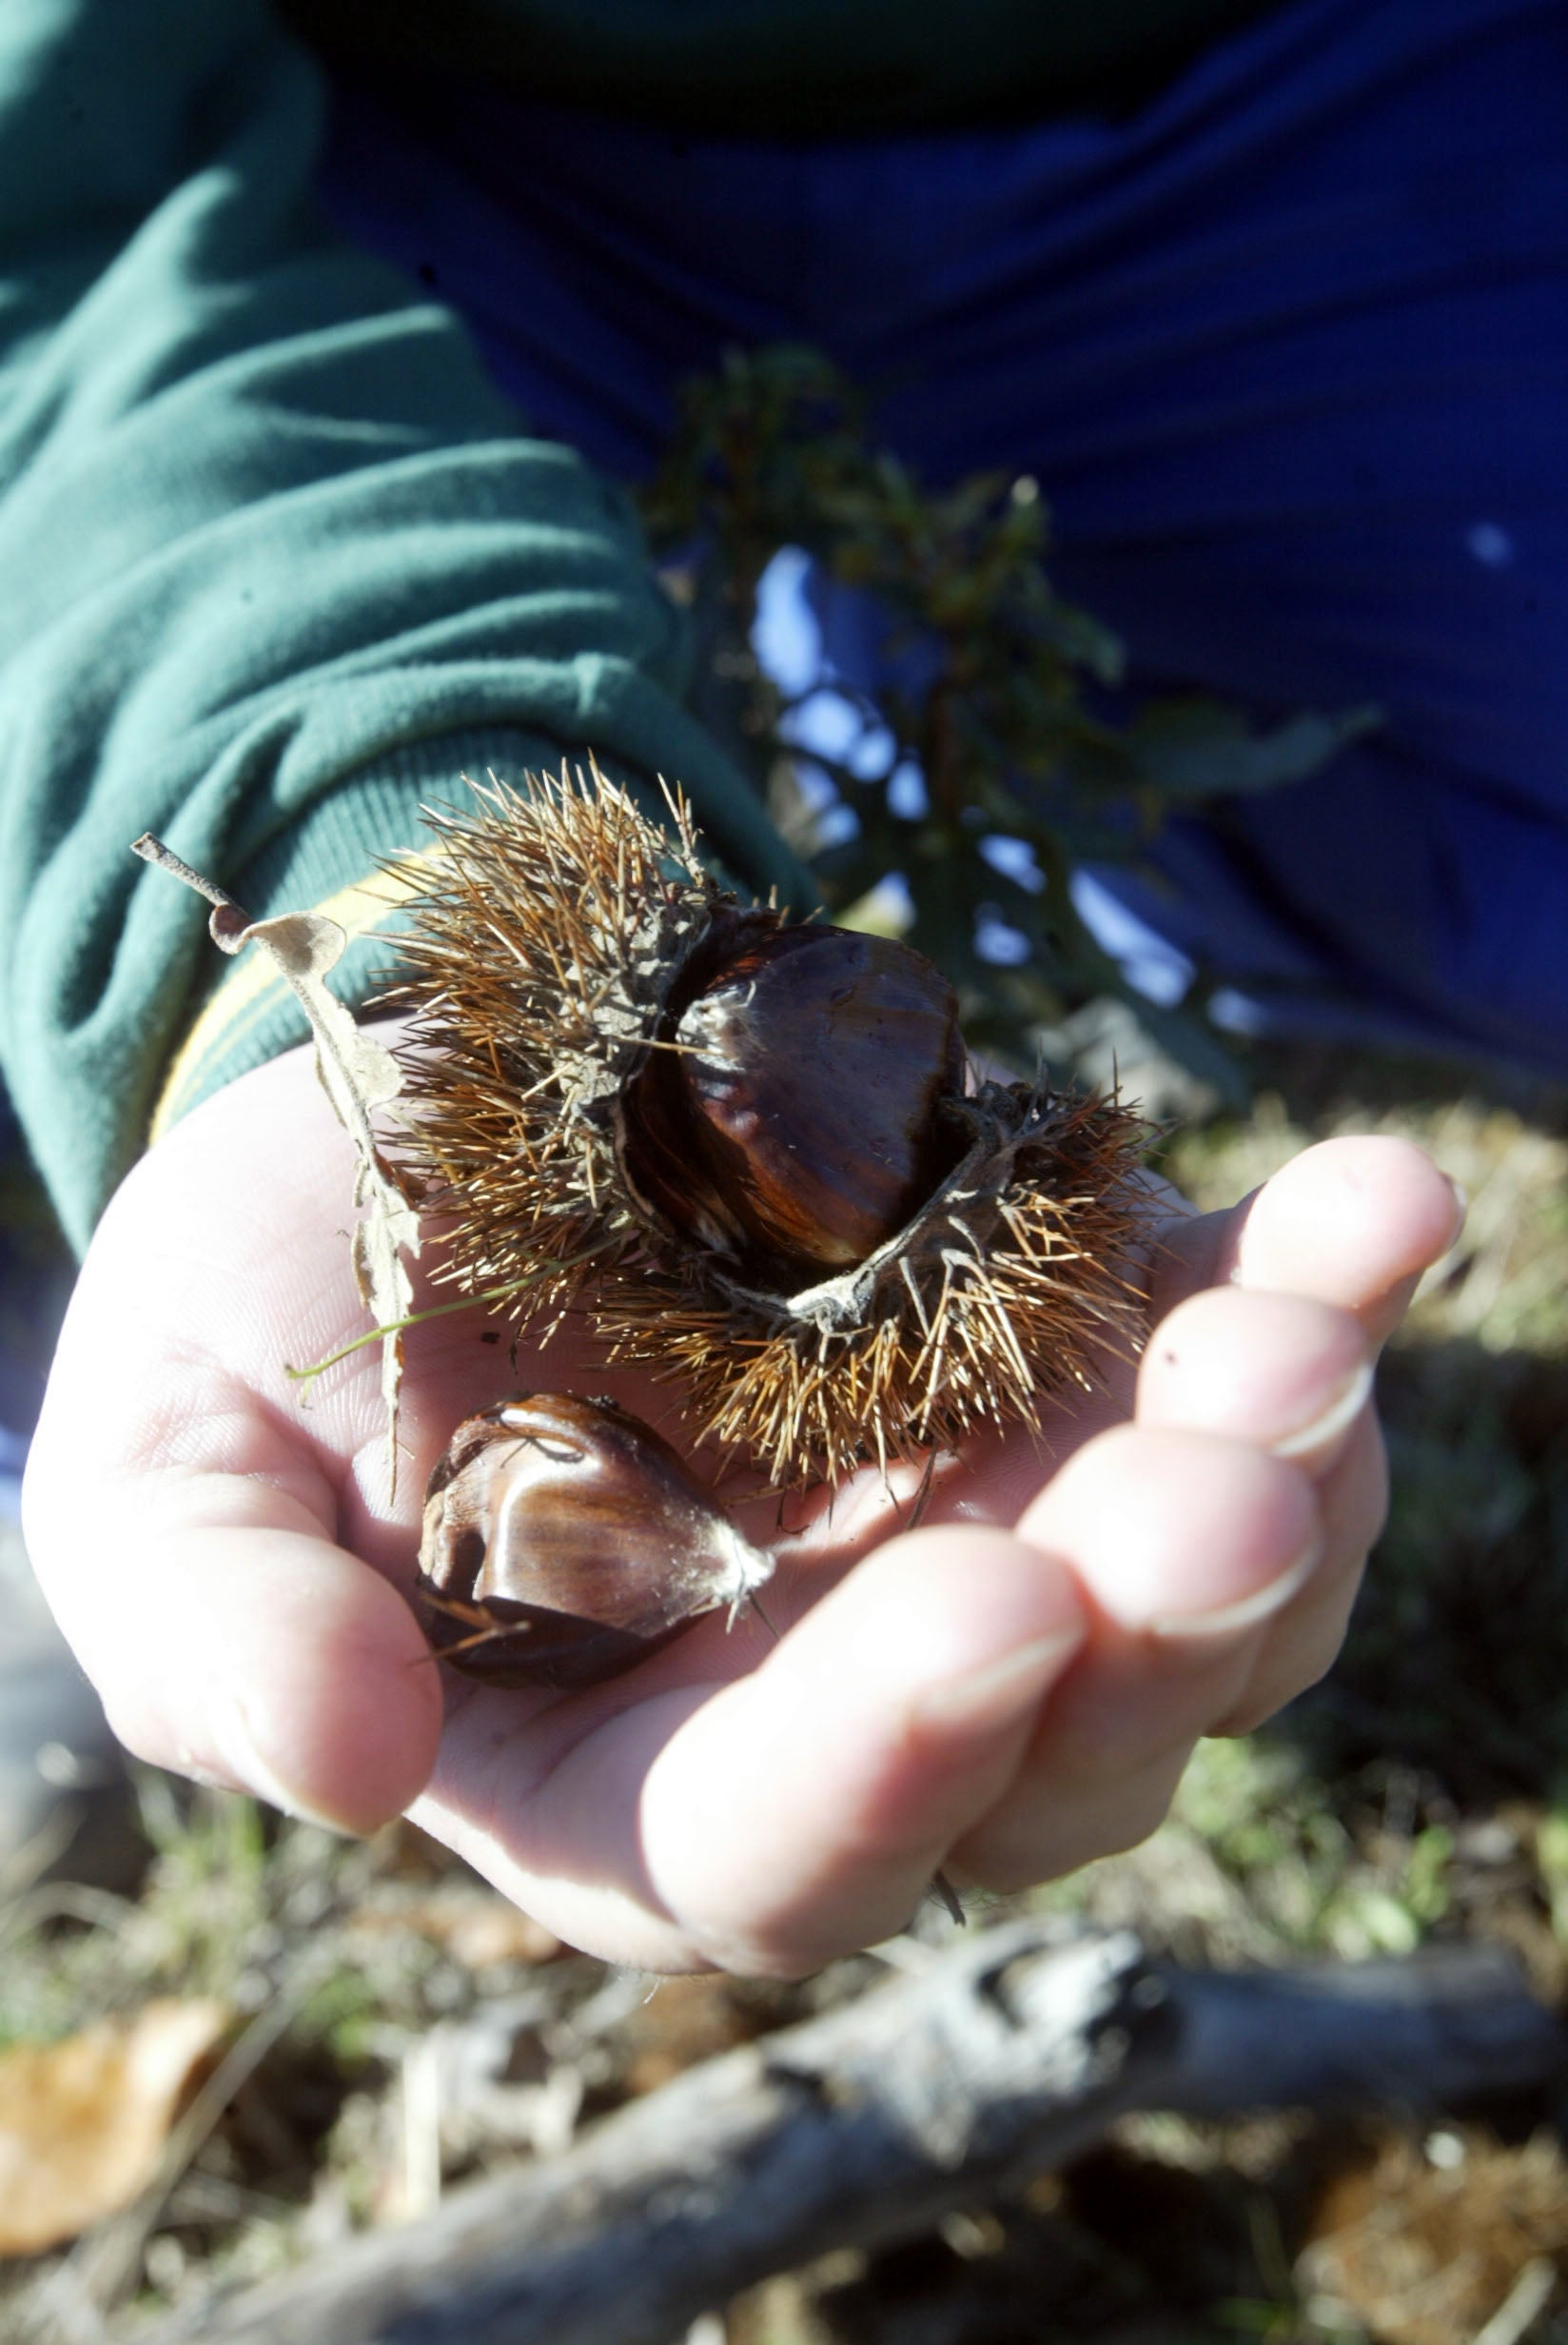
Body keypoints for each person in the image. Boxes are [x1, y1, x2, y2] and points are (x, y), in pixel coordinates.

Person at [0, 0, 1550, 1974]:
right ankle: (85, 1331)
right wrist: (353, 874)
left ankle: (1001, 726)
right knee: (50, 718)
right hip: (363, 145)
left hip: (1249, 84)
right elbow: (34, 236)